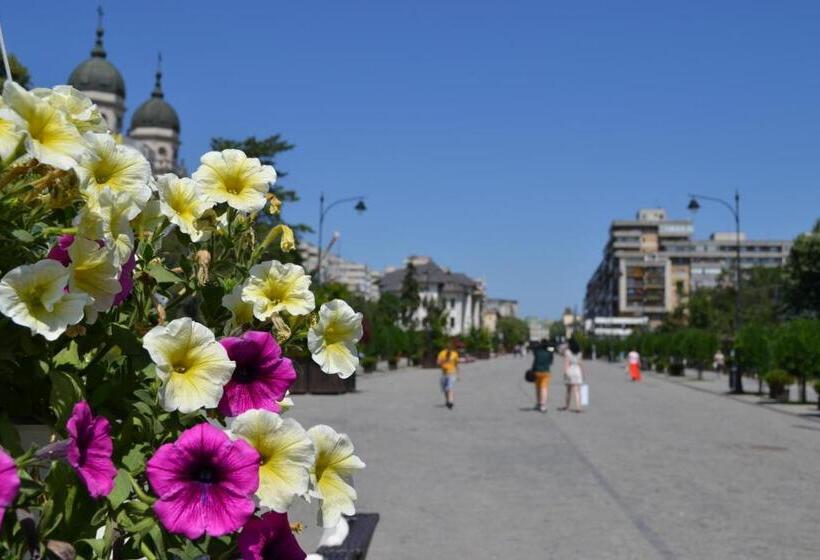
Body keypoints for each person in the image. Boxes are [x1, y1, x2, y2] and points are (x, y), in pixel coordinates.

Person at [559, 337, 584, 412]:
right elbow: (580, 363)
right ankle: (578, 407)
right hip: (577, 371)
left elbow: (566, 363)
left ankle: (567, 406)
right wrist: (582, 373)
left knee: (568, 390)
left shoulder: (567, 352)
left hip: (570, 370)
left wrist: (565, 373)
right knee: (577, 390)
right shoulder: (579, 352)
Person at [531, 339, 554, 412]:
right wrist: (548, 346)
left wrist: (540, 345)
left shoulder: (537, 350)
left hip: (537, 371)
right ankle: (543, 405)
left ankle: (538, 403)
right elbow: (553, 349)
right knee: (544, 388)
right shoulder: (549, 350)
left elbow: (533, 348)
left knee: (538, 388)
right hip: (546, 372)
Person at [437, 340, 460, 409]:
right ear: (446, 348)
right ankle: (447, 401)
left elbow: (456, 364)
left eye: (450, 347)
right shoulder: (442, 353)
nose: (449, 348)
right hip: (444, 373)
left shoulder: (455, 354)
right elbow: (438, 362)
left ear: (452, 348)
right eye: (448, 347)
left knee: (449, 387)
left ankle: (450, 402)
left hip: (452, 373)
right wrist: (442, 362)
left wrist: (458, 375)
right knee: (445, 389)